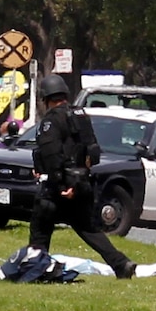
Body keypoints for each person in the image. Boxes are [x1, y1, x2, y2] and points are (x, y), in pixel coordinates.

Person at [28, 75, 136, 279]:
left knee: (40, 227)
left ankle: (35, 268)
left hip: (59, 187)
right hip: (82, 183)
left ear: (46, 98)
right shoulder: (80, 115)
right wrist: (79, 180)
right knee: (90, 230)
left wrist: (61, 184)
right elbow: (93, 152)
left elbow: (52, 154)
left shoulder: (50, 121)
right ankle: (121, 264)